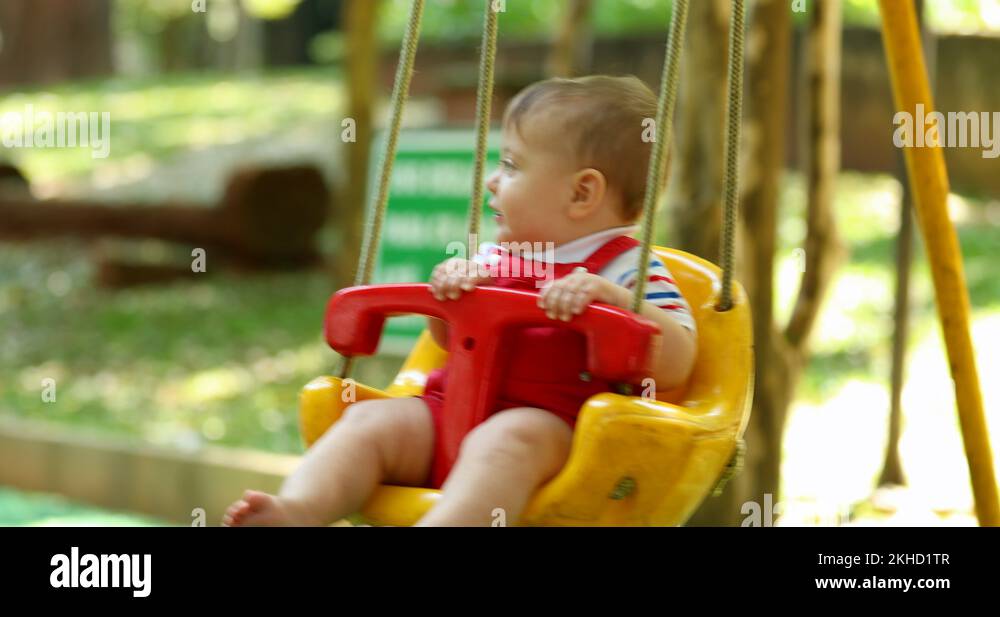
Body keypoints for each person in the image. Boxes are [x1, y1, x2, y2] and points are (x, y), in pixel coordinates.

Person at [224, 75, 696, 527]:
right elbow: (451, 342)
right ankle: (299, 511)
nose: (493, 180)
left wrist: (613, 301)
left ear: (581, 192)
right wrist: (451, 298)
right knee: (368, 420)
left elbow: (678, 362)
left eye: (511, 165)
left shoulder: (626, 268)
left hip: (555, 431)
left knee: (504, 441)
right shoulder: (493, 258)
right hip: (448, 410)